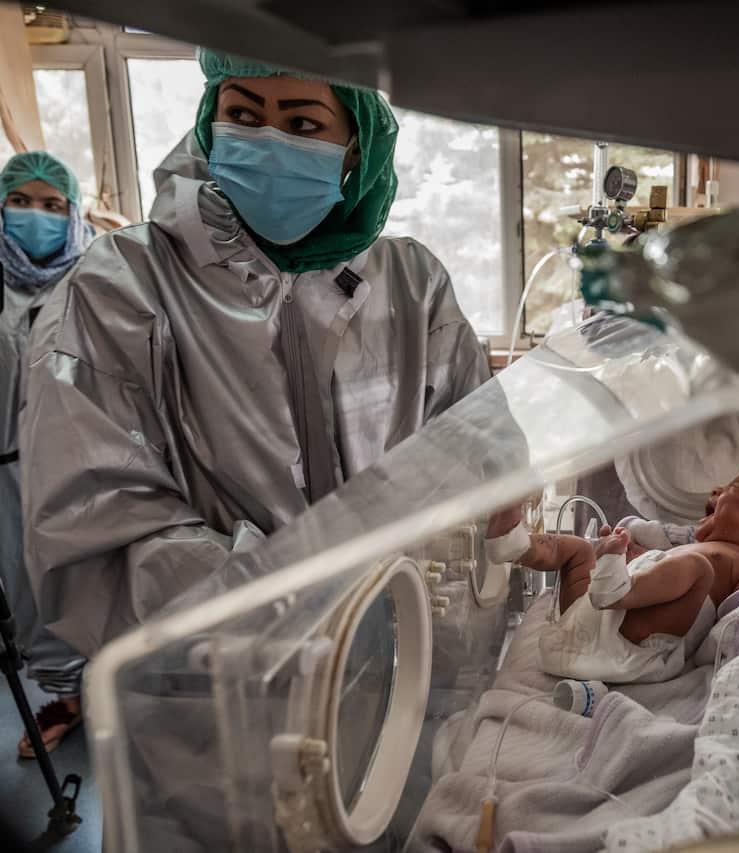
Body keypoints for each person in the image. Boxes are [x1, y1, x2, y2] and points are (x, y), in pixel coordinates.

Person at [18, 52, 491, 676]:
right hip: (217, 691)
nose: (267, 142)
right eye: (242, 113)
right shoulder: (123, 286)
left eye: (302, 125)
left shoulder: (412, 284)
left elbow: (472, 458)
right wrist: (296, 610)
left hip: (402, 667)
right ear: (211, 120)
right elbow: (95, 532)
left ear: (357, 145)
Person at [518, 470, 739, 683]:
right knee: (578, 551)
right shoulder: (694, 549)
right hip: (582, 630)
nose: (715, 492)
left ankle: (616, 589)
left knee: (698, 568)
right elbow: (664, 578)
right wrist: (636, 559)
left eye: (731, 491)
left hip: (632, 648)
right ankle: (514, 544)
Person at [0, 151, 94, 757]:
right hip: (5, 465)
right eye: (21, 202)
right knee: (23, 580)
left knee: (85, 576)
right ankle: (64, 695)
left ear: (73, 212)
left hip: (78, 457)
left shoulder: (93, 276)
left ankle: (103, 687)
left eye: (53, 205)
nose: (38, 216)